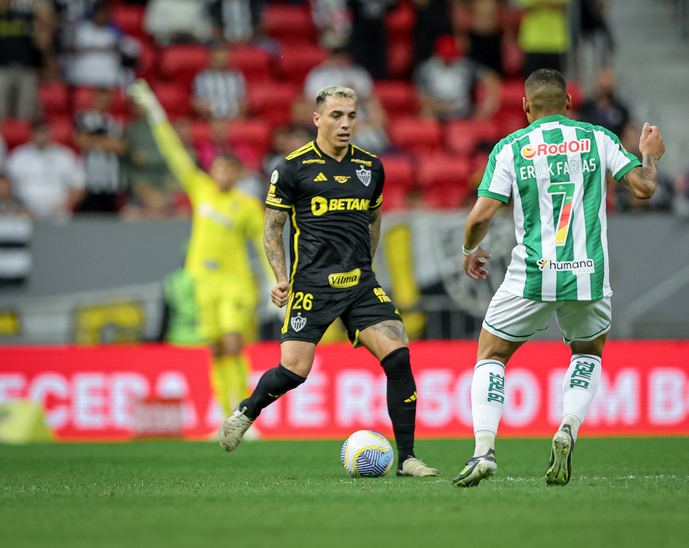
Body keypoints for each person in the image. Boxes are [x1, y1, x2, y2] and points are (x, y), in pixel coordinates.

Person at [452, 69, 664, 487]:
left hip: (532, 275)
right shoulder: (599, 138)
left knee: (492, 355)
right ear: (568, 103)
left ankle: (484, 450)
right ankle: (568, 426)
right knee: (587, 353)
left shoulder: (511, 147)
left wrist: (468, 250)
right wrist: (650, 154)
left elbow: (480, 216)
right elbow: (644, 188)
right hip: (588, 275)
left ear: (526, 107)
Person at [217, 85, 439, 477]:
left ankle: (406, 458)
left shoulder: (372, 167)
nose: (345, 124)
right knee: (293, 372)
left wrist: (366, 268)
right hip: (312, 286)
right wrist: (282, 278)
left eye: (352, 116)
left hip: (360, 284)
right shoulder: (292, 168)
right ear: (317, 119)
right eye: (336, 115)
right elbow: (273, 228)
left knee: (399, 357)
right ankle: (247, 410)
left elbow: (373, 220)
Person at [128, 79, 276, 419]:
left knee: (234, 343)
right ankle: (226, 416)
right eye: (217, 168)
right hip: (202, 282)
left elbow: (265, 242)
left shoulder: (247, 206)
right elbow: (173, 152)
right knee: (216, 348)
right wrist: (154, 110)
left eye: (228, 170)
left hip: (235, 282)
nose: (221, 175)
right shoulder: (201, 189)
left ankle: (244, 412)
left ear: (238, 174)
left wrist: (272, 279)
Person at [6, 120, 84, 218]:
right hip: (24, 214)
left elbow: (78, 186)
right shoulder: (17, 157)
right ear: (31, 133)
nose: (41, 136)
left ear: (51, 132)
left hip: (57, 214)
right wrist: (18, 207)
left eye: (44, 131)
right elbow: (5, 187)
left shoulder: (65, 156)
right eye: (38, 132)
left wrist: (65, 205)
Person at [414, 34, 501, 121]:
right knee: (426, 112)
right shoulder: (426, 68)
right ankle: (430, 133)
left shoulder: (466, 66)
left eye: (450, 56)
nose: (448, 59)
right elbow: (421, 94)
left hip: (463, 113)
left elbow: (491, 77)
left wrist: (487, 106)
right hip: (436, 111)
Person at [74, 88, 126, 214]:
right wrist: (107, 143)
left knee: (109, 222)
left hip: (110, 181)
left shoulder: (113, 121)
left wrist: (94, 142)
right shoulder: (83, 117)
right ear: (94, 99)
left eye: (107, 100)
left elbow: (120, 147)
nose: (104, 102)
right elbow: (80, 140)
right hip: (90, 180)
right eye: (101, 99)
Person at [66, 2, 140, 89]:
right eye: (102, 13)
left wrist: (118, 47)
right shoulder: (82, 29)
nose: (105, 16)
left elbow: (133, 48)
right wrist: (104, 49)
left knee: (128, 76)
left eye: (107, 14)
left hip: (108, 76)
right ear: (95, 14)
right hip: (84, 73)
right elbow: (71, 49)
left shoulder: (114, 31)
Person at [0, 0, 53, 121]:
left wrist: (35, 5)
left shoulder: (26, 14)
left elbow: (46, 28)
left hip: (26, 68)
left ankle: (22, 136)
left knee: (25, 111)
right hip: (2, 68)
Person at [192, 42, 247, 120]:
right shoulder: (202, 77)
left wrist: (238, 116)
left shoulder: (236, 76)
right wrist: (207, 112)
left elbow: (242, 100)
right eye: (217, 59)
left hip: (233, 118)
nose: (220, 62)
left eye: (223, 59)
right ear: (210, 58)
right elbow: (197, 102)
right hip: (211, 119)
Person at [576, 68, 632, 140]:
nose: (605, 84)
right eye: (602, 79)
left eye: (608, 79)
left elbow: (626, 128)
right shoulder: (586, 108)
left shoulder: (621, 110)